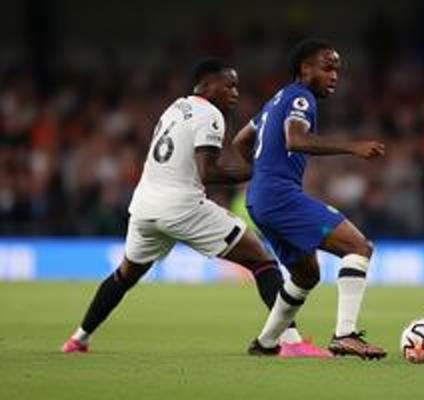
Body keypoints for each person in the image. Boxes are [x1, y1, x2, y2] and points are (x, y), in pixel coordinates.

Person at [61, 57, 330, 358]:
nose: (235, 93)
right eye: (229, 86)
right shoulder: (210, 114)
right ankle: (291, 341)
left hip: (145, 207)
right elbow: (208, 173)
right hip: (182, 207)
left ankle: (78, 339)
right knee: (262, 260)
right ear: (208, 84)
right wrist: (257, 171)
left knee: (125, 275)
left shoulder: (175, 107)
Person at [233, 39, 387, 359]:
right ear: (305, 68)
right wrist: (353, 147)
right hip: (279, 196)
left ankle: (266, 343)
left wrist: (262, 171)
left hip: (260, 199)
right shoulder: (301, 97)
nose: (334, 76)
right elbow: (296, 139)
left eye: (337, 70)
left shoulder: (275, 100)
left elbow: (240, 141)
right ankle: (345, 335)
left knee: (306, 275)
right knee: (359, 247)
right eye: (327, 68)